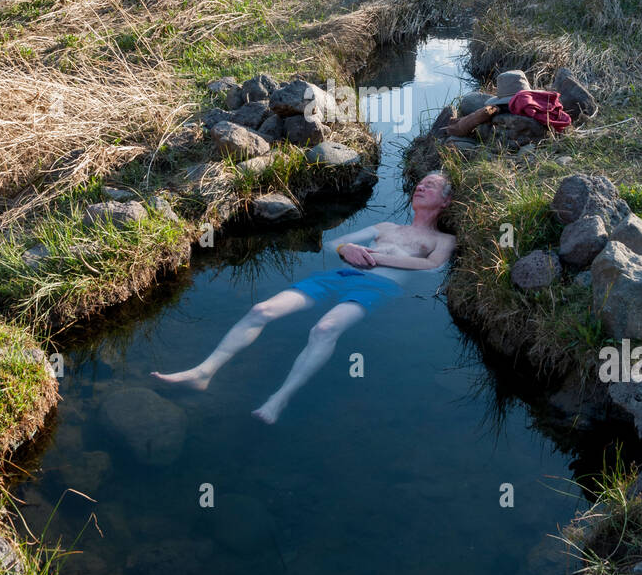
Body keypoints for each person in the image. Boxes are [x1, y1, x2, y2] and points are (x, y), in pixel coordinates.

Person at [151, 172, 456, 424]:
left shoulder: (443, 239)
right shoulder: (386, 226)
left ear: (446, 201)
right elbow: (332, 243)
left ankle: (279, 399)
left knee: (324, 328)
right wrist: (345, 250)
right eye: (420, 184)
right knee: (261, 309)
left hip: (376, 288)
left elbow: (433, 267)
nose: (421, 187)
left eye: (431, 185)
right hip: (339, 277)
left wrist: (378, 258)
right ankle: (203, 372)